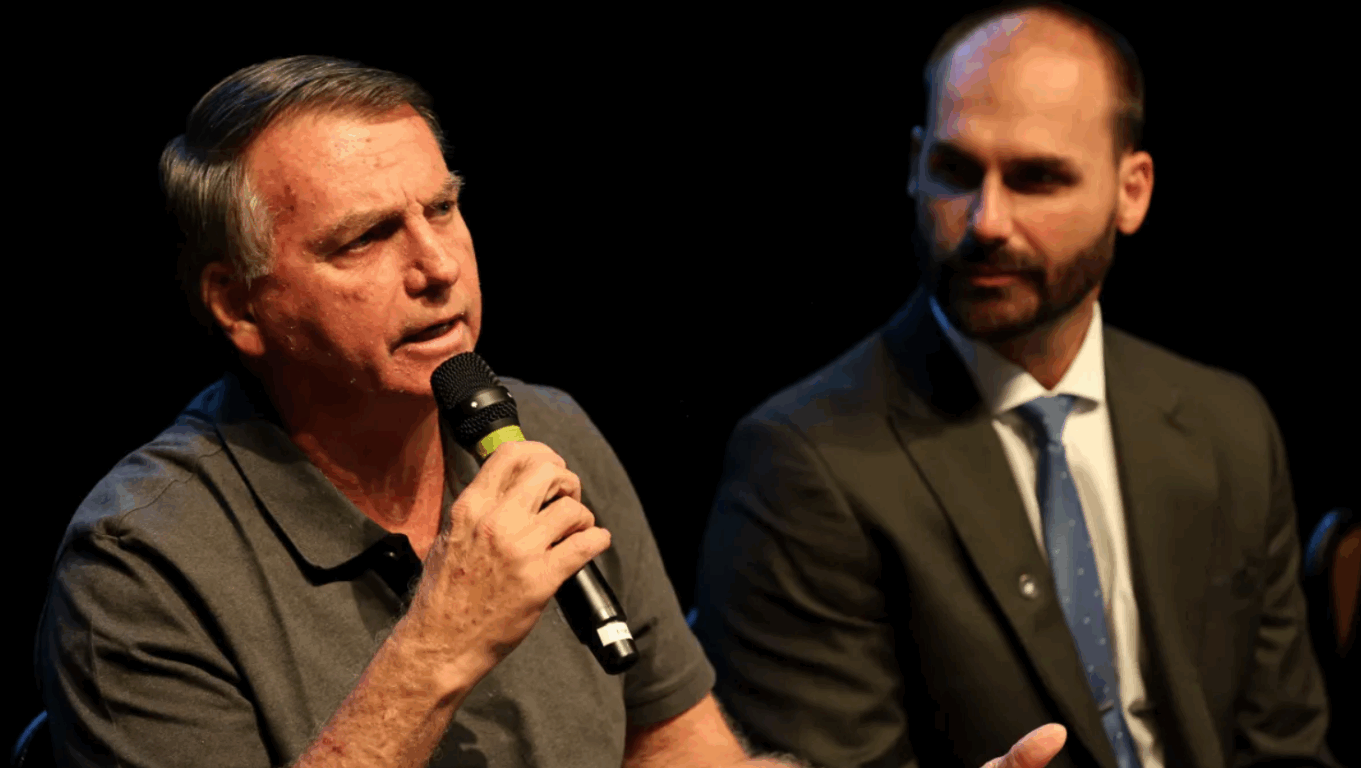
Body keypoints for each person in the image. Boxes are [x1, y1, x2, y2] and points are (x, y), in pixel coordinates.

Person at [34, 55, 843, 768]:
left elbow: (669, 744)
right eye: (366, 238)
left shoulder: (548, 432)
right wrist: (438, 644)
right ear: (239, 307)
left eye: (443, 209)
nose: (437, 265)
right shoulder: (138, 564)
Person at [690, 3, 1339, 768]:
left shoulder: (1226, 423)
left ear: (1131, 192)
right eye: (954, 172)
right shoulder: (803, 464)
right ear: (912, 164)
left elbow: (1285, 748)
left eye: (1036, 179)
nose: (986, 221)